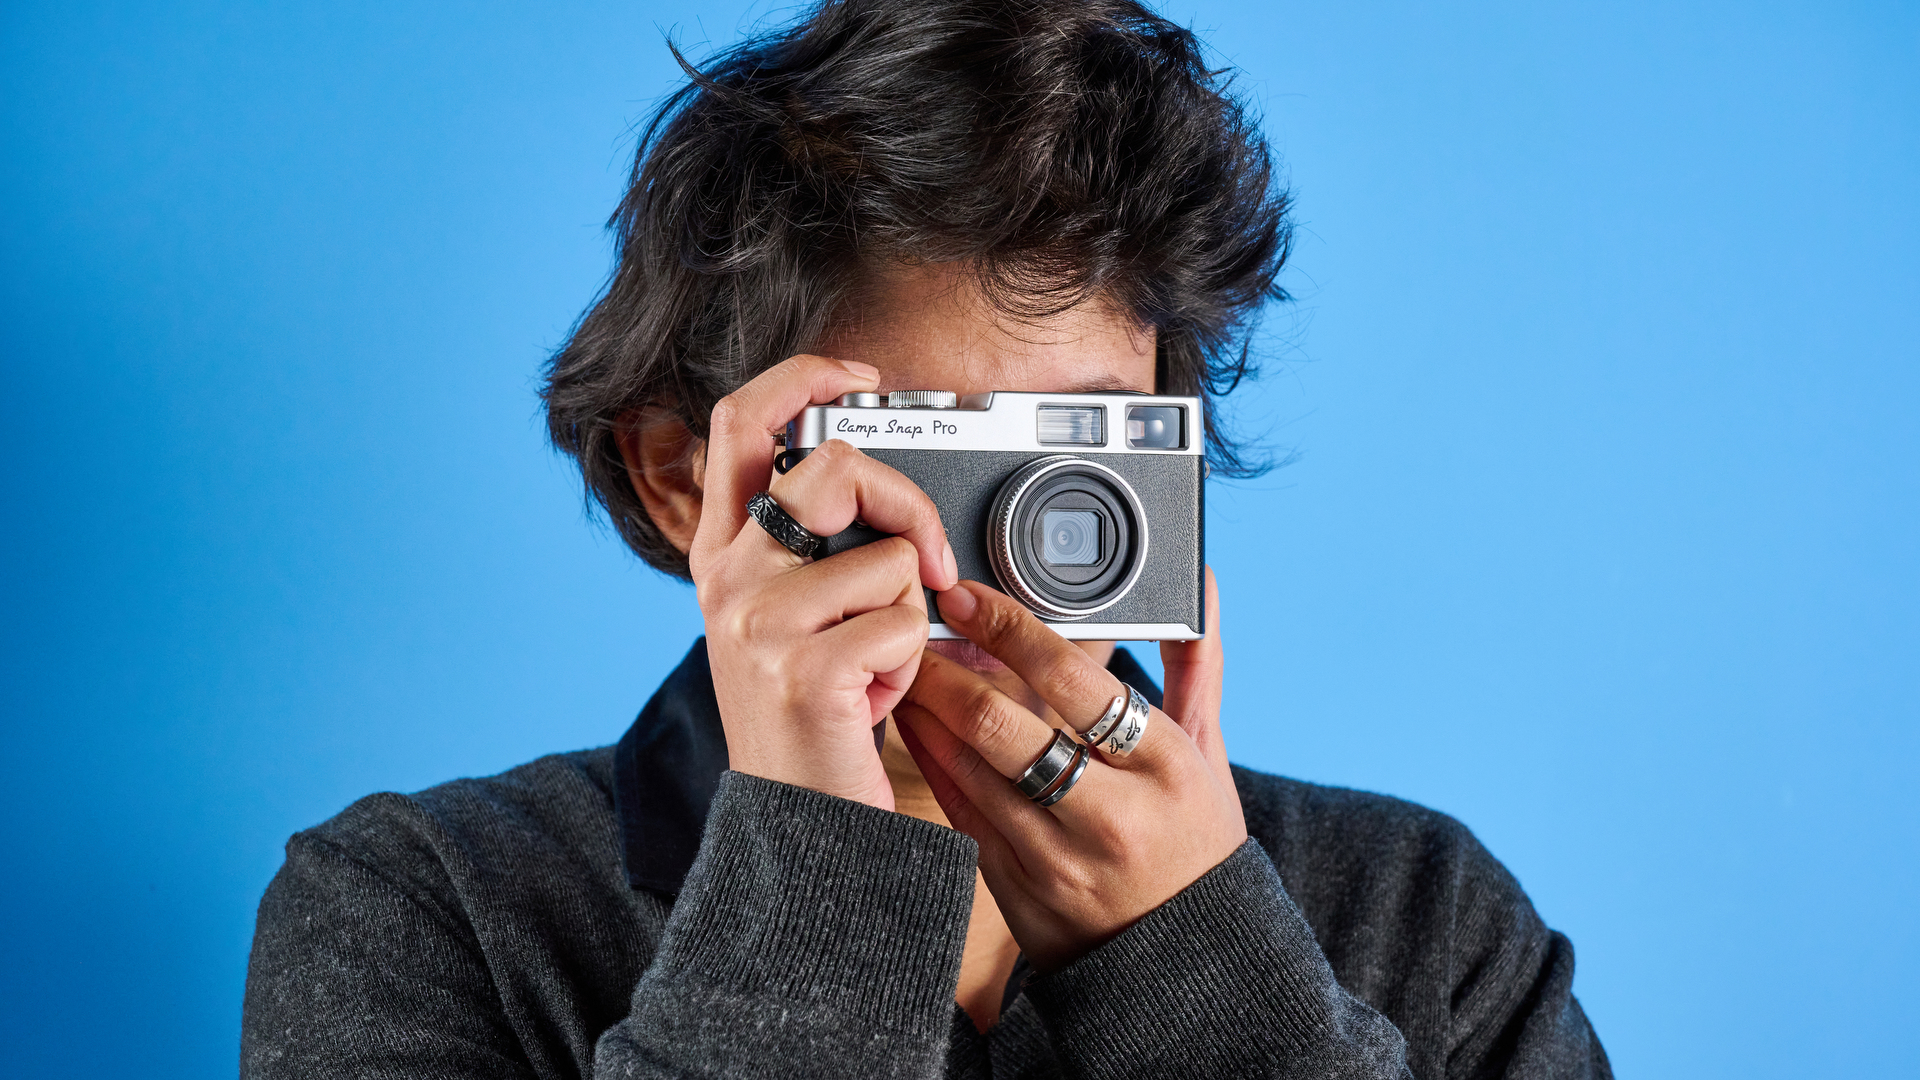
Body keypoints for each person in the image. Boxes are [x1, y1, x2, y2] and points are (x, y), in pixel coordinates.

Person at [241, 1, 1611, 1076]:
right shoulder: (431, 914)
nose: (997, 558)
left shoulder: (1423, 921)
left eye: (1070, 458)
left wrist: (1204, 969)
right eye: (913, 457)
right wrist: (815, 885)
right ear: (682, 477)